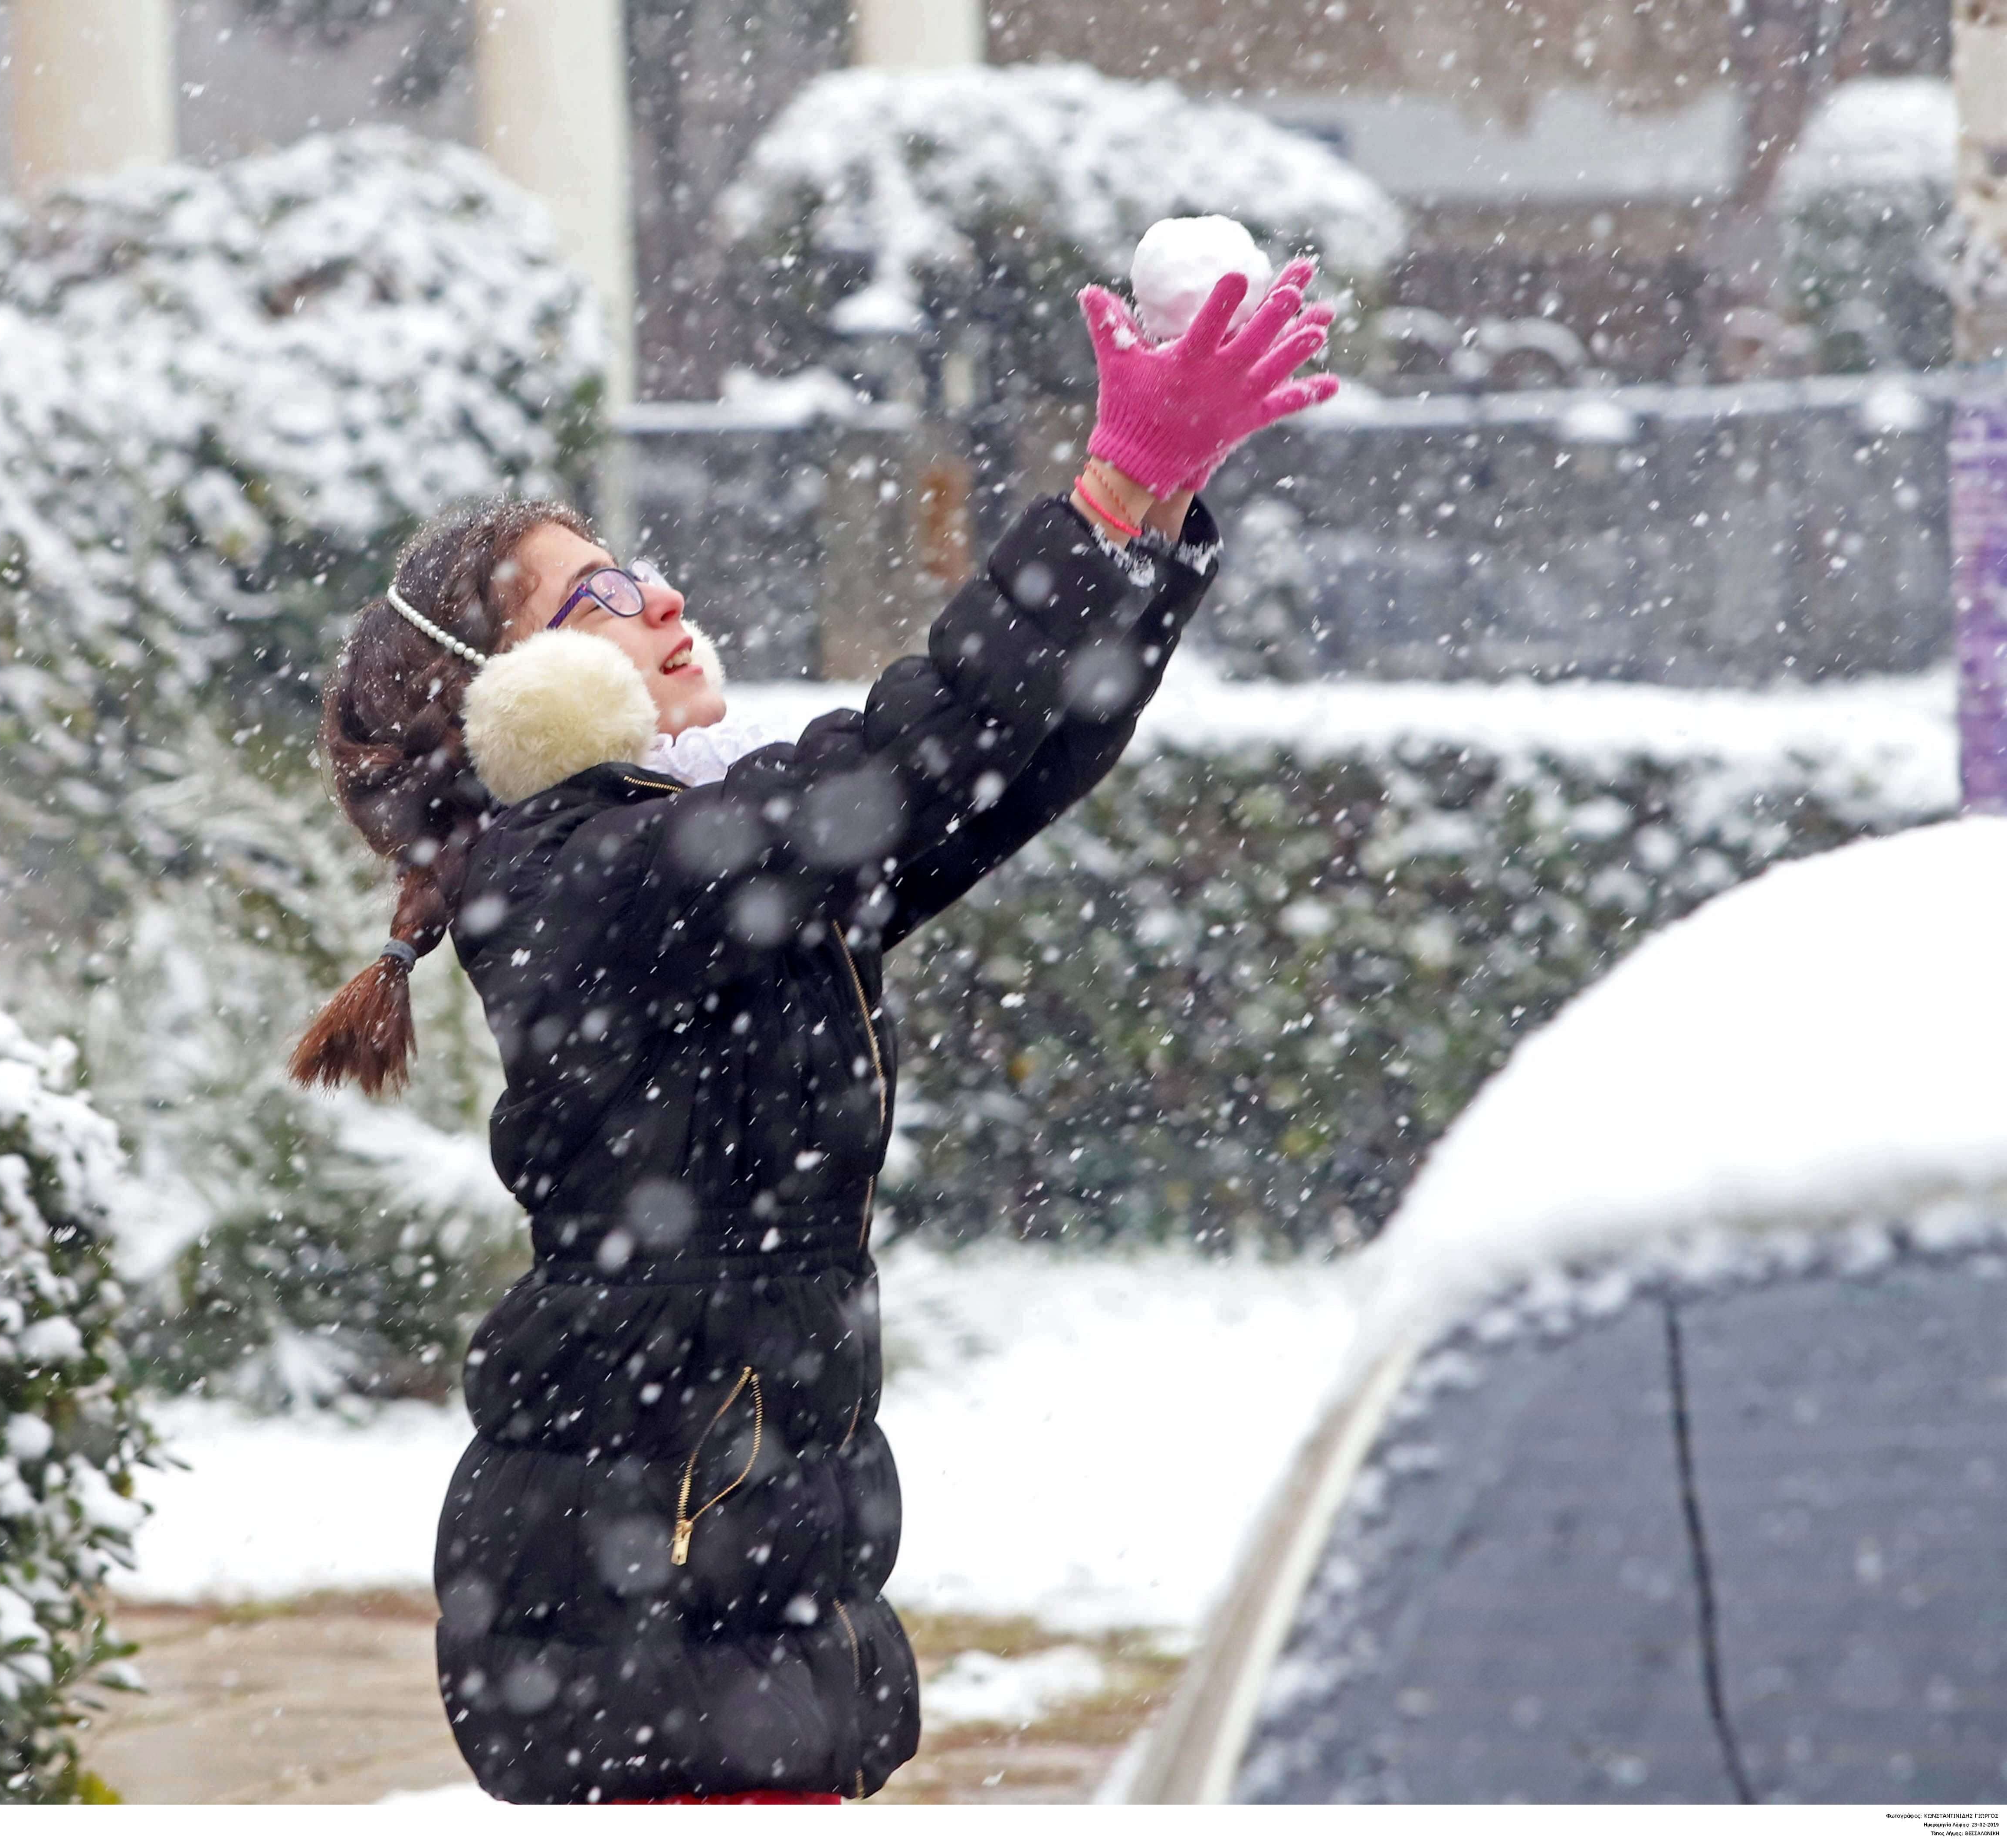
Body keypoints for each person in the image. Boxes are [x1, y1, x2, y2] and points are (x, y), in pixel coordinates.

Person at [291, 264, 1342, 1802]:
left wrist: (1156, 519)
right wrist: (1105, 492)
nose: (658, 599)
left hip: (722, 1610)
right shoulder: (584, 880)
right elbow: (910, 755)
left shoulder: (655, 859)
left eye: (636, 568)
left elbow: (993, 772)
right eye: (597, 600)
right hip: (646, 1626)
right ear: (511, 700)